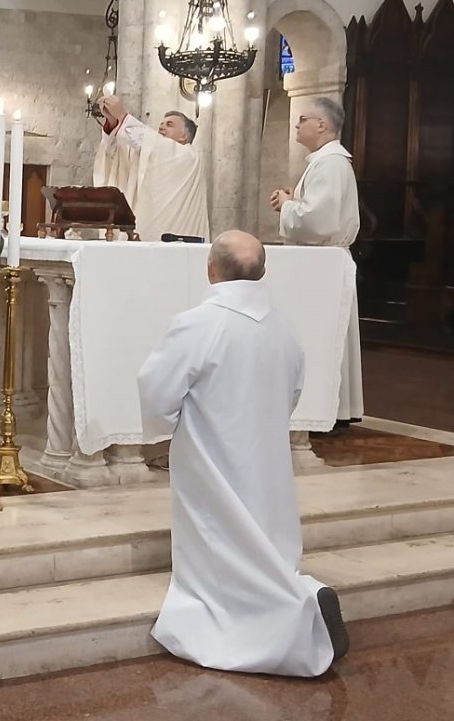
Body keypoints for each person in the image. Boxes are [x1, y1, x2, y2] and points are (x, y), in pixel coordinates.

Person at [137, 230, 348, 677]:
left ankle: (295, 612)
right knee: (263, 539)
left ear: (211, 270)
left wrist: (164, 428)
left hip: (211, 457)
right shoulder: (282, 327)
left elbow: (155, 389)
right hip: (266, 457)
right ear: (263, 272)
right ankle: (300, 596)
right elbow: (293, 391)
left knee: (221, 548)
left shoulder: (198, 324)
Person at [270, 97, 362, 428]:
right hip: (321, 264)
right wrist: (294, 200)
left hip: (323, 265)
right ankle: (327, 409)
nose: (297, 124)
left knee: (323, 338)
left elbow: (318, 222)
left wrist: (287, 205)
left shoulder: (331, 163)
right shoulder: (326, 162)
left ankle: (327, 410)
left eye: (303, 119)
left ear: (322, 125)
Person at [94, 95, 209, 243]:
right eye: (161, 123)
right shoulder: (150, 155)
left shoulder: (189, 157)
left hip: (177, 239)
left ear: (183, 136)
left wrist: (122, 116)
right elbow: (118, 156)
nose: (161, 127)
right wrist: (113, 122)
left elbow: (152, 143)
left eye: (169, 124)